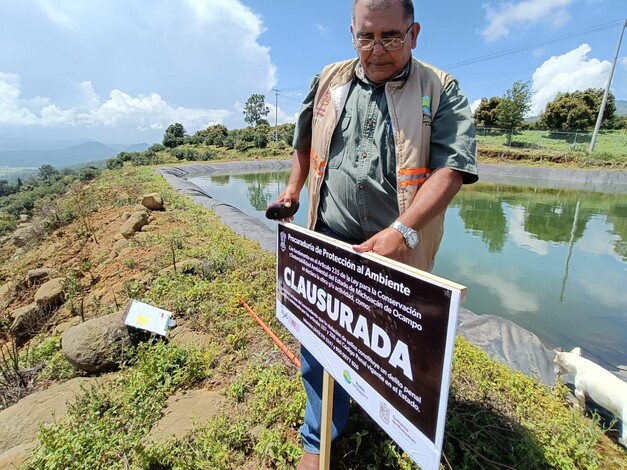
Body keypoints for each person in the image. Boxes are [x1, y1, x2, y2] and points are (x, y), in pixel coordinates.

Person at [274, 1, 478, 468]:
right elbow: (304, 141)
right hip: (329, 236)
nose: (378, 48)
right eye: (366, 37)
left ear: (414, 32)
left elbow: (452, 168)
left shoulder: (440, 88)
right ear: (352, 34)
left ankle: (389, 414)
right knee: (320, 336)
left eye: (391, 35)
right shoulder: (330, 79)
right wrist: (291, 191)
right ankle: (318, 436)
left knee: (390, 341)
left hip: (398, 248)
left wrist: (403, 231)